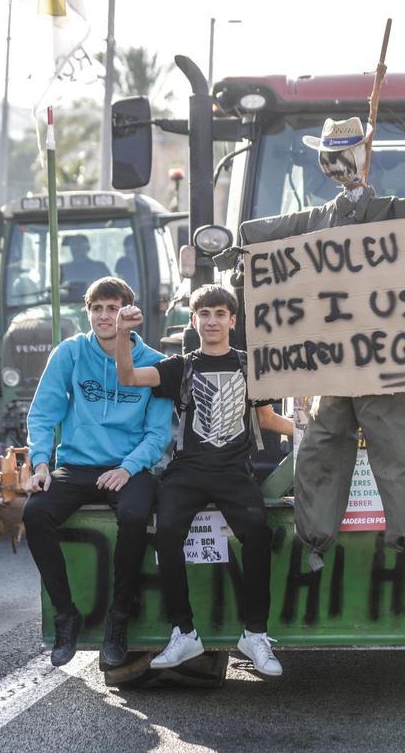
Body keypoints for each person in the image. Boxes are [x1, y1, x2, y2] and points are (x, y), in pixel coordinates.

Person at [239, 116, 405, 572]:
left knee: (398, 452)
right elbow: (264, 232)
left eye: (341, 156)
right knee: (318, 450)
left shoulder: (392, 213)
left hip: (386, 366)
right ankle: (315, 540)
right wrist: (244, 249)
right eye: (327, 158)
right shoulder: (317, 220)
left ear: (362, 158)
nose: (333, 166)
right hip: (333, 367)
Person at [115, 284, 294, 677]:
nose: (212, 321)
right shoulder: (179, 366)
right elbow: (127, 376)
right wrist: (125, 333)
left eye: (219, 313)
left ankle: (255, 633)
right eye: (204, 314)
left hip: (233, 471)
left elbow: (266, 420)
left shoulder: (249, 365)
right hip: (188, 471)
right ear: (194, 321)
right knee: (167, 532)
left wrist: (310, 432)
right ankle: (184, 631)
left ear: (232, 319)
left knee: (258, 534)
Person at [22, 277, 173, 668]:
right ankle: (65, 615)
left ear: (127, 313)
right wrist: (41, 464)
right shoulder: (70, 353)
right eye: (97, 309)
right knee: (35, 513)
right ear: (88, 312)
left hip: (128, 467)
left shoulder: (154, 363)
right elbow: (43, 413)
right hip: (77, 464)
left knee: (135, 513)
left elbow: (159, 434)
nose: (104, 316)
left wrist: (128, 468)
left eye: (113, 308)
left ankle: (118, 617)